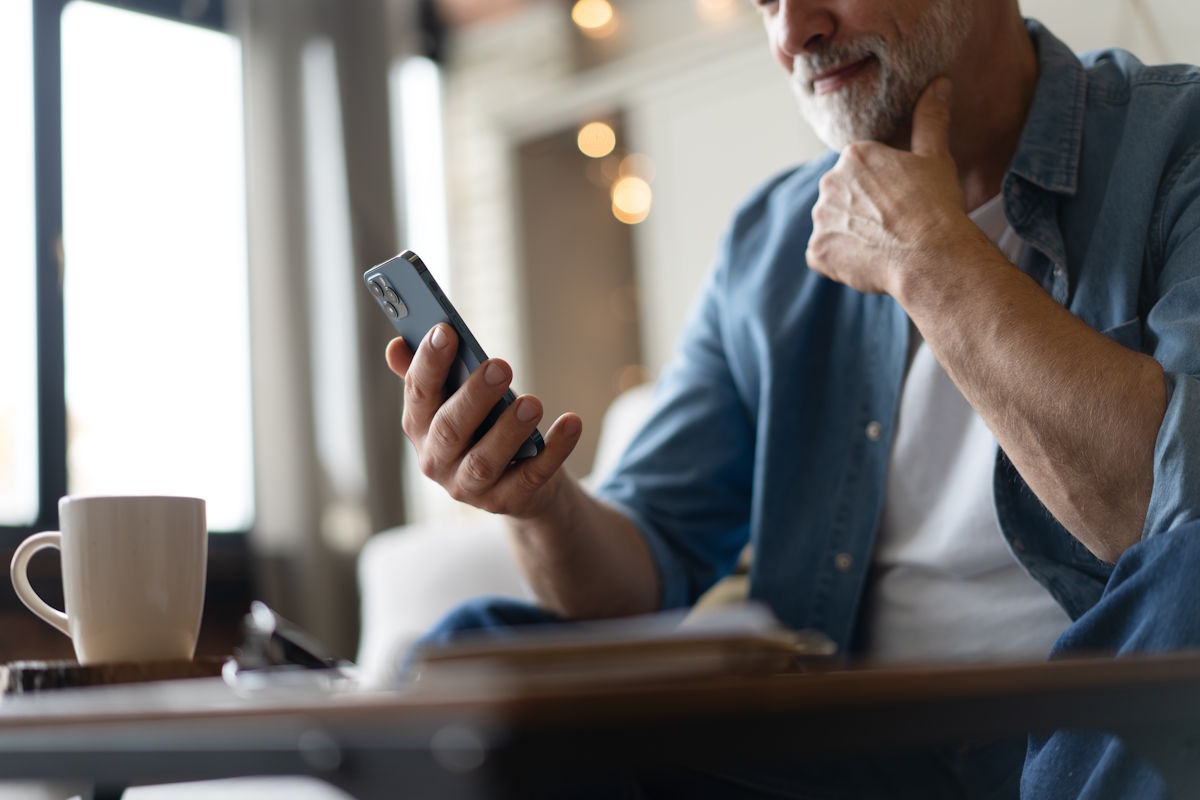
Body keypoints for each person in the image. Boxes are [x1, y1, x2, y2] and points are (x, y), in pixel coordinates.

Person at [384, 0, 1200, 795]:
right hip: (846, 748)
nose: (791, 31)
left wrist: (934, 262)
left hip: (1088, 744)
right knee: (473, 655)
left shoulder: (1174, 146)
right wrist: (536, 503)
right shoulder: (770, 241)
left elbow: (1166, 517)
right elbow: (642, 573)